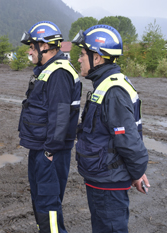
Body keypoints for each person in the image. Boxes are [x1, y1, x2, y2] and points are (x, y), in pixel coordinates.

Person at [72, 24, 150, 232]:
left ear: (96, 57)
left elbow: (128, 141)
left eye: (82, 54)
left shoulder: (113, 91)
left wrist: (137, 172)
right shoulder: (105, 85)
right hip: (103, 178)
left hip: (109, 182)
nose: (79, 59)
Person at [18, 21, 82, 233]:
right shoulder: (47, 70)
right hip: (41, 148)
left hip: (50, 152)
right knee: (40, 201)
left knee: (49, 206)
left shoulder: (59, 73)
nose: (29, 51)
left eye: (31, 46)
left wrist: (49, 151)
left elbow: (60, 116)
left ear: (44, 46)